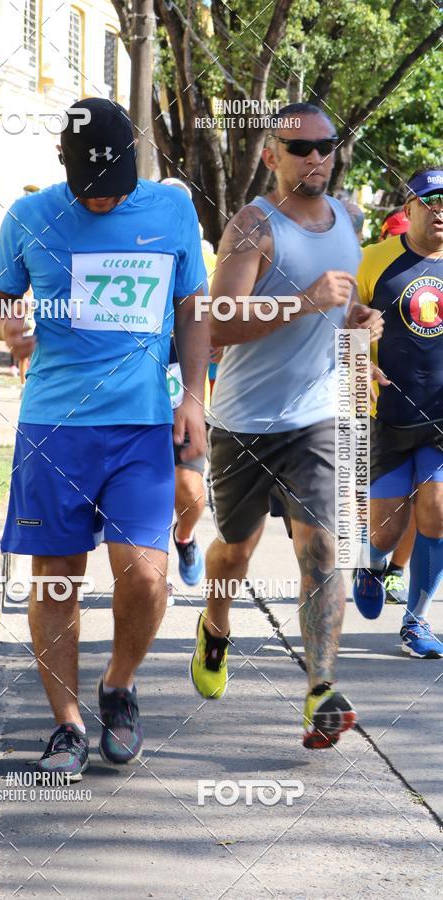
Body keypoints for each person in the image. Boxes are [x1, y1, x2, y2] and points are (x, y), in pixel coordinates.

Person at [0, 98, 209, 779]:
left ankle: (119, 683)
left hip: (140, 424)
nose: (105, 202)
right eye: (92, 193)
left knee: (145, 574)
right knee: (55, 582)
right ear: (64, 168)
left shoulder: (170, 211)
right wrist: (5, 327)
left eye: (116, 190)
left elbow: (192, 306)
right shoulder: (28, 216)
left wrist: (195, 395)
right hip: (54, 427)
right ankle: (67, 726)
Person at [191, 102, 382, 750]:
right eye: (300, 148)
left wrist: (355, 321)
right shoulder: (252, 226)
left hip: (314, 417)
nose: (317, 158)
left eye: (326, 145)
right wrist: (306, 305)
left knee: (322, 549)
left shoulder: (348, 219)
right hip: (243, 423)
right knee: (234, 552)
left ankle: (321, 691)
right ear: (271, 155)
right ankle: (216, 624)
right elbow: (217, 324)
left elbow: (340, 301)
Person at [353, 168, 443, 658]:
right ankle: (370, 563)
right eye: (430, 200)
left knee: (437, 514)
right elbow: (339, 328)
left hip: (441, 417)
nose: (440, 210)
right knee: (386, 529)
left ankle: (416, 622)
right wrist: (359, 359)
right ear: (407, 207)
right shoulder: (371, 261)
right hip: (385, 416)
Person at [161, 177, 215, 587]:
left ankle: (185, 536)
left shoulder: (207, 262)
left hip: (186, 390)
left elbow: (220, 322)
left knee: (190, 488)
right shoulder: (132, 247)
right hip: (131, 390)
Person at [378, 205, 413, 604]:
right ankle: (368, 561)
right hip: (370, 408)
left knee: (427, 501)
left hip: (424, 410)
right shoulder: (371, 271)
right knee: (376, 505)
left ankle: (397, 571)